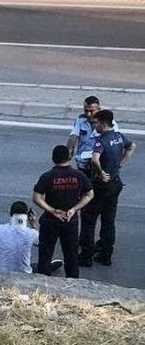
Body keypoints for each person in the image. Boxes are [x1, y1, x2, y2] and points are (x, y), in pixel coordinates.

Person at [79, 110, 136, 266]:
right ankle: (105, 255)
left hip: (100, 186)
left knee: (88, 220)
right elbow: (132, 146)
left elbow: (94, 159)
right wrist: (121, 163)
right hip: (115, 183)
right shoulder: (119, 137)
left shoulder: (101, 140)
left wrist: (100, 172)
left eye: (96, 123)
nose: (94, 126)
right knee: (108, 220)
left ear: (103, 123)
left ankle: (86, 257)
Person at [32, 145, 94, 278]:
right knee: (71, 256)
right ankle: (73, 284)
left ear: (53, 158)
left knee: (45, 255)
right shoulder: (78, 175)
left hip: (50, 220)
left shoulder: (48, 176)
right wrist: (74, 209)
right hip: (70, 220)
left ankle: (42, 283)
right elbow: (89, 194)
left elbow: (36, 197)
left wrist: (52, 210)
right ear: (69, 158)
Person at [0, 202, 63, 274]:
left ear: (10, 213)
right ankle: (54, 265)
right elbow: (44, 243)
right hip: (23, 273)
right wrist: (34, 224)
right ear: (27, 216)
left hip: (0, 271)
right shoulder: (31, 233)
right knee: (37, 266)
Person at [67, 96, 118, 174]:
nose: (88, 114)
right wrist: (69, 151)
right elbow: (73, 137)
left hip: (100, 165)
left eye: (91, 111)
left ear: (99, 109)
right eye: (86, 110)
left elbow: (116, 143)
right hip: (83, 164)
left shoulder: (108, 123)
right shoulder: (80, 120)